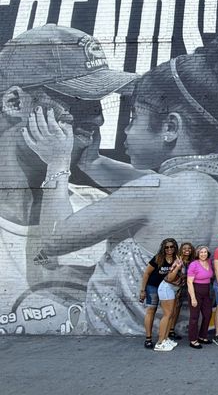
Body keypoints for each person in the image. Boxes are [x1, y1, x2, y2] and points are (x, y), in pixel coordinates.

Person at [22, 31, 218, 336]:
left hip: (110, 347)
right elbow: (152, 187)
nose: (126, 131)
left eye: (133, 118)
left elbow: (53, 239)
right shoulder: (215, 184)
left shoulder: (153, 193)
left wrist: (57, 163)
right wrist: (93, 162)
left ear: (170, 127)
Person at [0, 24, 137, 334]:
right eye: (79, 98)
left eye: (99, 101)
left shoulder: (103, 213)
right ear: (15, 103)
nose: (99, 117)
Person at [138, 238, 178, 350]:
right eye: (166, 247)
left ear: (175, 247)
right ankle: (148, 339)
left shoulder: (176, 259)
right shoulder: (158, 258)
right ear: (163, 248)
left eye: (171, 246)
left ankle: (165, 337)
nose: (169, 249)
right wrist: (143, 290)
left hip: (167, 288)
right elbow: (147, 273)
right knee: (151, 310)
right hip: (153, 287)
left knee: (169, 312)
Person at [187, 246, 214, 349]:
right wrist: (193, 298)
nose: (203, 254)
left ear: (208, 253)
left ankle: (202, 336)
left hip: (206, 292)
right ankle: (193, 340)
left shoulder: (209, 262)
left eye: (205, 252)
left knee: (207, 314)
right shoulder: (194, 264)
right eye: (201, 252)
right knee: (194, 317)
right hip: (196, 291)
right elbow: (189, 282)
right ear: (198, 254)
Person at [169, 242, 196, 341]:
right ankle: (168, 331)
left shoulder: (193, 261)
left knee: (178, 309)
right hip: (176, 287)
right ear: (181, 250)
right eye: (184, 248)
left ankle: (171, 330)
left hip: (187, 287)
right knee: (173, 309)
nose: (187, 250)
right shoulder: (177, 260)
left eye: (189, 248)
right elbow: (171, 274)